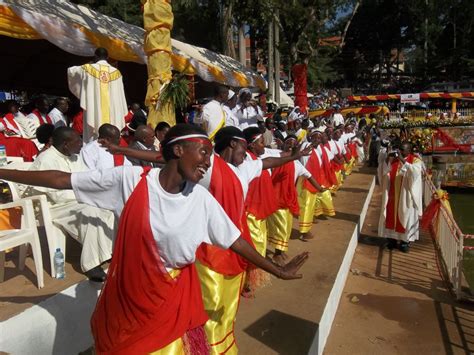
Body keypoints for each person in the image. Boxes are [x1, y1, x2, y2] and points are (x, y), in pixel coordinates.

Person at [0, 124, 308, 353]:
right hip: (131, 298)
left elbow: (236, 241)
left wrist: (276, 270)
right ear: (177, 151)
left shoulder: (201, 200)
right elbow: (60, 179)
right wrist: (4, 171)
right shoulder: (129, 181)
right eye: (203, 153)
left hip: (174, 300)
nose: (207, 162)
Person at [196, 126, 311, 353]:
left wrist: (296, 156)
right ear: (232, 144)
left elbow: (267, 163)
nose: (247, 151)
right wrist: (122, 149)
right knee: (211, 303)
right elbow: (166, 159)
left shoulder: (243, 168)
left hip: (235, 245)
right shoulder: (210, 168)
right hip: (210, 250)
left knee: (227, 306)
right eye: (244, 146)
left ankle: (222, 348)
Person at [25, 127, 114, 281]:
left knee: (109, 208)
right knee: (91, 212)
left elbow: (86, 179)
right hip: (53, 206)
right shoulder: (46, 159)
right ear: (66, 144)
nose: (81, 144)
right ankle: (91, 264)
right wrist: (86, 196)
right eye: (78, 141)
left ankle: (105, 251)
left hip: (75, 201)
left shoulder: (75, 157)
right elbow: (57, 195)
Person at [268, 135, 322, 263]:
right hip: (275, 199)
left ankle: (280, 250)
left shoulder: (297, 164)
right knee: (281, 226)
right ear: (283, 145)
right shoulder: (276, 156)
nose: (291, 145)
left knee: (287, 227)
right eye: (288, 143)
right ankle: (278, 253)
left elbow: (309, 176)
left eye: (293, 143)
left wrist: (320, 188)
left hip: (288, 200)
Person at [67, 47, 128, 142]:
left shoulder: (88, 68)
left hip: (94, 110)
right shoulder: (116, 72)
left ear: (95, 56)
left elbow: (71, 71)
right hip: (112, 112)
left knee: (93, 134)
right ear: (107, 57)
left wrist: (89, 63)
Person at [378, 142, 423, 252]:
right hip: (392, 194)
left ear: (409, 150)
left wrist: (403, 160)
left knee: (405, 216)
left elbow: (414, 173)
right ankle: (391, 240)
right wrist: (388, 159)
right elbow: (383, 171)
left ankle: (404, 242)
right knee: (390, 215)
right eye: (399, 149)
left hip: (406, 195)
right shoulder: (394, 160)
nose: (400, 152)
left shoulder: (416, 160)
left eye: (403, 150)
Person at [298, 129, 334, 241]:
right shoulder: (307, 147)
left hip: (314, 181)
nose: (317, 140)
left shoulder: (318, 149)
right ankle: (304, 232)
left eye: (319, 138)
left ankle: (310, 221)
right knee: (306, 206)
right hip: (307, 182)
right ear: (310, 138)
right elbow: (303, 166)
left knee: (311, 205)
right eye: (315, 138)